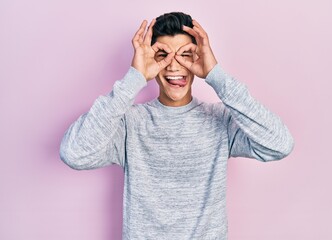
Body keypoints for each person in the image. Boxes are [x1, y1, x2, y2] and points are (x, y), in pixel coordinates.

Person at [60, 12, 294, 239]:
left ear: (198, 58)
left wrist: (216, 74)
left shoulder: (220, 120)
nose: (174, 66)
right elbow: (75, 154)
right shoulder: (129, 123)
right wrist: (134, 78)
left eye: (185, 55)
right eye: (163, 55)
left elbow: (280, 144)